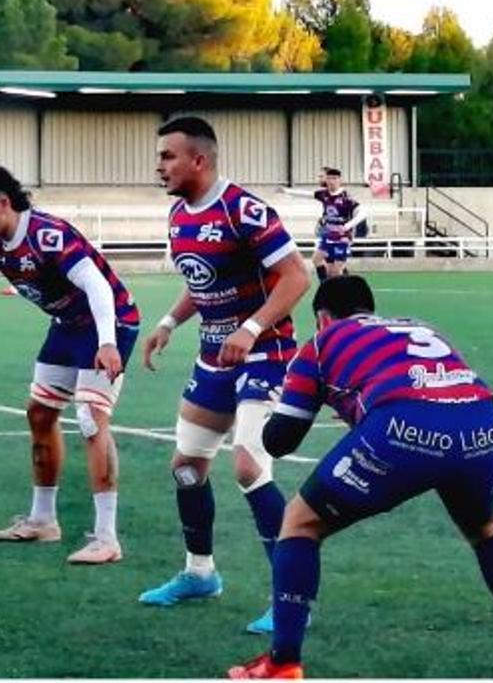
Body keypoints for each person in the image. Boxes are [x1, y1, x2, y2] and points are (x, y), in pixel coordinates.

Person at [227, 276, 493, 679]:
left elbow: (279, 442)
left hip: (404, 428)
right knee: (485, 527)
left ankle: (283, 662)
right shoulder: (419, 326)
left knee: (299, 522)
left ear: (322, 318)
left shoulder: (320, 343)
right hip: (484, 424)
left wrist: (279, 407)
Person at [139, 116, 310, 633]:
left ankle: (290, 598)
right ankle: (200, 573)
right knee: (186, 467)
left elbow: (296, 276)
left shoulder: (244, 209)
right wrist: (169, 322)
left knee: (247, 466)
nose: (160, 165)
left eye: (169, 156)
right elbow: (203, 280)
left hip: (266, 352)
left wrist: (253, 328)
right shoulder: (177, 216)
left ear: (200, 160)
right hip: (214, 354)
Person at [0, 165, 139, 564]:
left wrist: (107, 342)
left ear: (3, 202)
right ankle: (43, 520)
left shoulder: (48, 235)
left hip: (109, 323)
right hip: (66, 326)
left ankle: (106, 538)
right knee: (39, 413)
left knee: (89, 417)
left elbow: (98, 286)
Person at [280, 167, 362, 281]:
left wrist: (348, 226)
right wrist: (286, 191)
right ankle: (324, 286)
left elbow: (362, 213)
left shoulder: (346, 197)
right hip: (328, 235)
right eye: (329, 178)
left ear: (339, 180)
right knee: (317, 260)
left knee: (336, 272)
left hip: (342, 238)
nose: (331, 181)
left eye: (334, 178)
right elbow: (307, 194)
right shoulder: (324, 194)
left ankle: (344, 291)